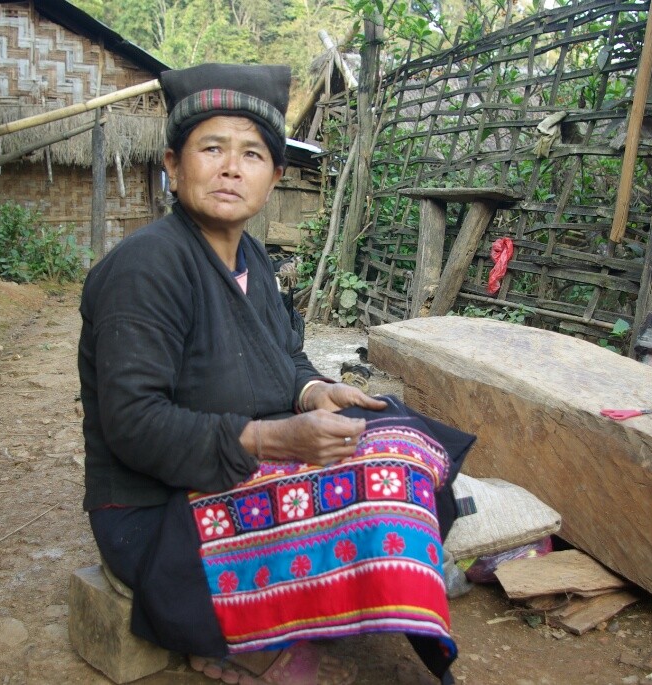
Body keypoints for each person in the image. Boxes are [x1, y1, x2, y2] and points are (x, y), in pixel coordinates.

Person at [78, 63, 474, 685]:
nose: (231, 168)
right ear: (174, 165)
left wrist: (316, 390)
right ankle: (225, 625)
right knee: (383, 488)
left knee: (397, 429)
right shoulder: (146, 268)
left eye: (252, 154)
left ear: (275, 177)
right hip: (157, 515)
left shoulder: (253, 259)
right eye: (211, 148)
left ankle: (369, 576)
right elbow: (132, 423)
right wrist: (273, 440)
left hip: (236, 471)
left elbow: (285, 356)